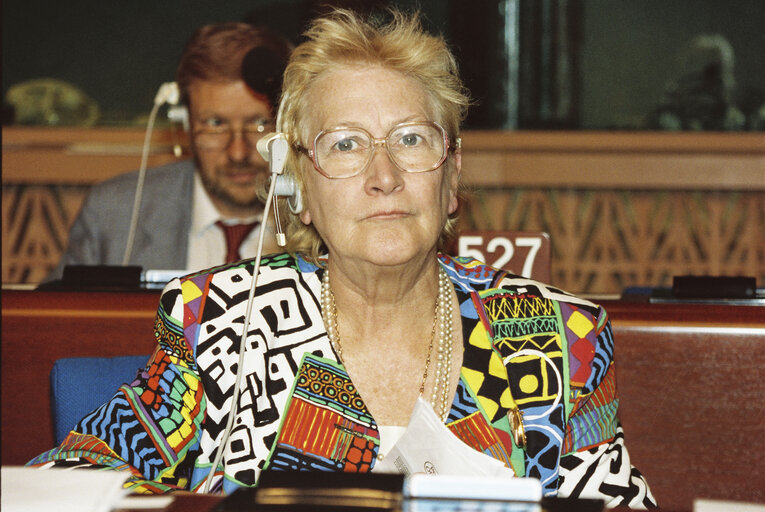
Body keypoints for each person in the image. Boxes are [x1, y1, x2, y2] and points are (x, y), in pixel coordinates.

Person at [30, 8, 657, 508]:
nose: (383, 176)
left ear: (452, 173)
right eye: (346, 145)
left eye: (412, 139)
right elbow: (70, 475)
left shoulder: (555, 336)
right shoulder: (220, 321)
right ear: (300, 185)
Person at [45, 22, 290, 281]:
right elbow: (52, 317)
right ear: (185, 124)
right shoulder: (114, 214)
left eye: (259, 123)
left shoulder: (321, 216)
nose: (238, 153)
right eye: (215, 124)